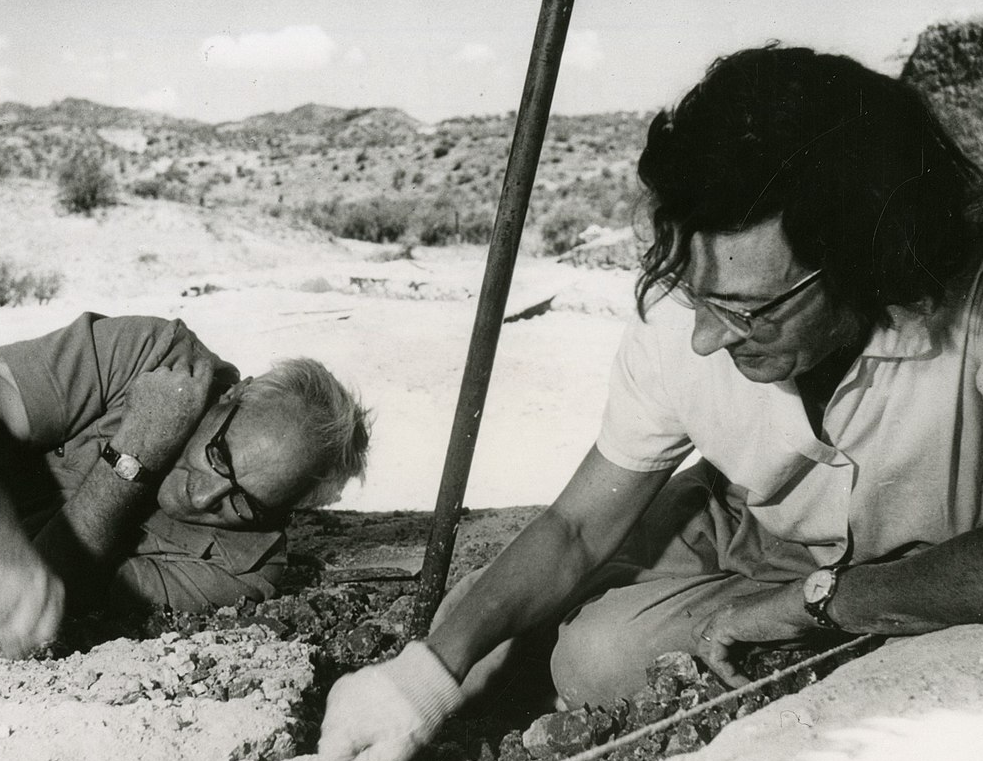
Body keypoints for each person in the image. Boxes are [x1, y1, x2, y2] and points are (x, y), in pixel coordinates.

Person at [318, 44, 983, 760]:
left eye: (749, 312)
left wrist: (815, 601)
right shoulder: (686, 305)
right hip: (751, 522)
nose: (702, 337)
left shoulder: (969, 311)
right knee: (508, 633)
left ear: (868, 259)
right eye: (697, 297)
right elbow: (576, 527)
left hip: (931, 560)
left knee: (597, 656)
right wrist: (419, 683)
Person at [0, 311, 370, 658]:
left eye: (245, 503)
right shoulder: (155, 353)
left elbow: (50, 588)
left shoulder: (244, 568)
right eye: (220, 455)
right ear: (232, 396)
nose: (205, 494)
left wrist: (138, 449)